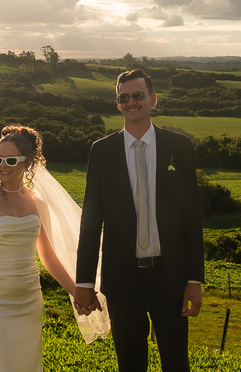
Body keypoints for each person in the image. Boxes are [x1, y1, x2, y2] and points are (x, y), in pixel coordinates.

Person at [74, 68, 205, 372]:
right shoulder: (102, 151)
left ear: (153, 99)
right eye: (124, 97)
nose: (131, 102)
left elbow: (191, 217)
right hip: (123, 279)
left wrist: (194, 279)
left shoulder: (180, 147)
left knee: (176, 363)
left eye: (138, 95)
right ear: (117, 103)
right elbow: (92, 220)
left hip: (170, 277)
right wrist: (83, 281)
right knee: (130, 365)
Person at [0, 125, 109, 372]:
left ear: (28, 162)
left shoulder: (37, 202)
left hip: (29, 302)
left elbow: (48, 256)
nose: (1, 165)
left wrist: (76, 291)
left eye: (10, 160)